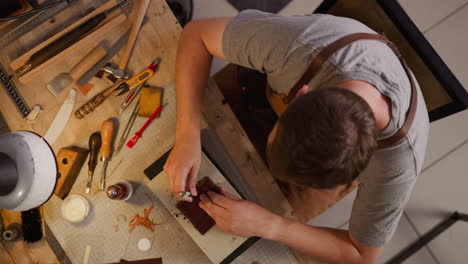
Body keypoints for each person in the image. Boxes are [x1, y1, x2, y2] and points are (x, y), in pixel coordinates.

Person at [164, 10, 429, 264]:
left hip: (303, 179)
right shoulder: (301, 46)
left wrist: (269, 225)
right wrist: (188, 133)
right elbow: (196, 35)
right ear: (301, 93)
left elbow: (361, 255)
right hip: (251, 95)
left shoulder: (398, 164)